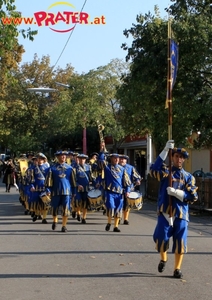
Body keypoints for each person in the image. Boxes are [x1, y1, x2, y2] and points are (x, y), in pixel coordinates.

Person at [150, 140, 198, 279]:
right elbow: (154, 170)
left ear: (183, 160)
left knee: (180, 242)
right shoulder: (166, 172)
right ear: (172, 158)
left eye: (181, 157)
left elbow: (193, 196)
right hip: (165, 212)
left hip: (181, 214)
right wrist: (165, 150)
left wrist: (178, 193)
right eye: (176, 156)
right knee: (160, 238)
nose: (179, 159)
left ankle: (177, 269)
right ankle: (163, 259)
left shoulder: (189, 177)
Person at [97, 143, 131, 232]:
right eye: (114, 158)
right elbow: (100, 162)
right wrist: (101, 151)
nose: (116, 159)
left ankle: (115, 226)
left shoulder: (122, 169)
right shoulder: (107, 168)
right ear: (111, 159)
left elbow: (127, 182)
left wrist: (127, 191)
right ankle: (109, 222)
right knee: (111, 207)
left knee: (118, 209)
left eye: (117, 158)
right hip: (110, 192)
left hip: (119, 193)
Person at [45, 150, 76, 232]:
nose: (63, 157)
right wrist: (48, 190)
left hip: (67, 192)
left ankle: (64, 226)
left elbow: (73, 182)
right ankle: (55, 220)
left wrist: (74, 192)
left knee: (66, 209)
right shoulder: (52, 168)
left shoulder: (70, 168)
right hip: (56, 191)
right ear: (58, 157)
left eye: (65, 156)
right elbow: (49, 181)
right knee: (54, 208)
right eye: (62, 156)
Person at [119, 154, 142, 225]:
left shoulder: (130, 168)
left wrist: (137, 180)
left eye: (124, 159)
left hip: (128, 188)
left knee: (127, 204)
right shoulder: (116, 168)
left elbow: (137, 176)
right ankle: (119, 217)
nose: (122, 160)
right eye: (121, 159)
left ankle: (126, 219)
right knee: (119, 203)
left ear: (126, 160)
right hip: (118, 188)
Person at [27, 153, 50, 223]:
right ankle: (37, 214)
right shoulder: (32, 168)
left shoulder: (47, 168)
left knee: (46, 203)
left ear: (44, 160)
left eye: (41, 159)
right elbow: (30, 178)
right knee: (36, 203)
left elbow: (49, 179)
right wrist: (31, 186)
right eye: (38, 159)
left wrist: (49, 189)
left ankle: (44, 218)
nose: (39, 160)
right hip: (36, 188)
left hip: (44, 188)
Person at [75, 153, 96, 223]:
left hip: (86, 187)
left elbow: (91, 177)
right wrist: (77, 185)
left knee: (85, 202)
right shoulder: (75, 168)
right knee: (78, 201)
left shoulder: (88, 167)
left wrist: (95, 183)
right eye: (80, 159)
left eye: (83, 159)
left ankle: (84, 218)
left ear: (85, 160)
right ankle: (78, 213)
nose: (82, 160)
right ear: (78, 159)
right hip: (78, 187)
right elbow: (73, 179)